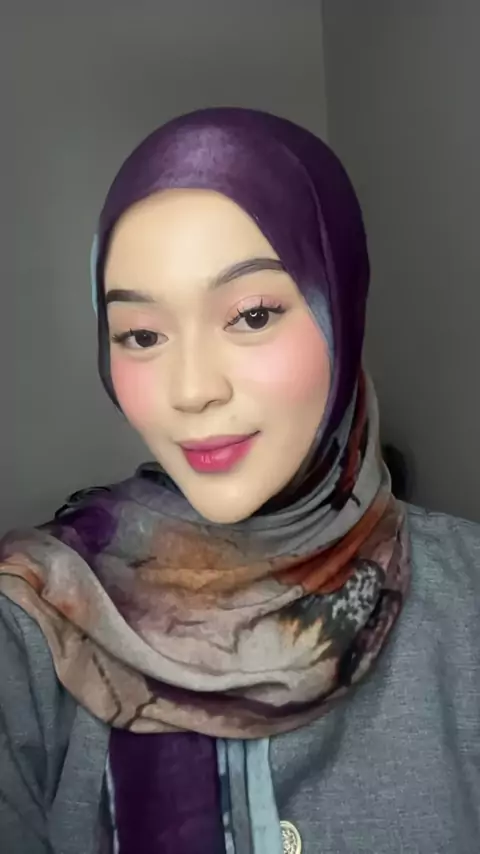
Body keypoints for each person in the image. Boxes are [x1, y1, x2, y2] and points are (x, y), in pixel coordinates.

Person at [0, 108, 479, 854]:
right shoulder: (30, 632)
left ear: (342, 307)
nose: (192, 390)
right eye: (141, 334)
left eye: (252, 315)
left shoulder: (469, 604)